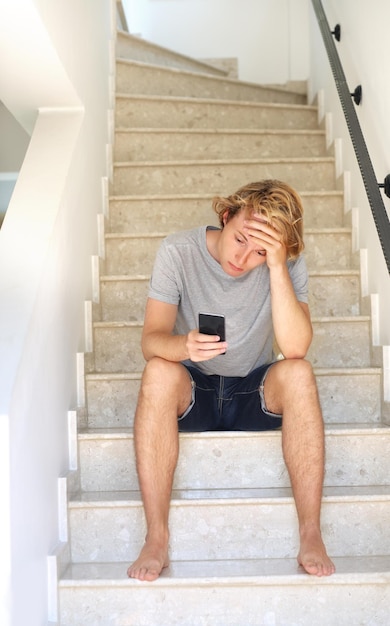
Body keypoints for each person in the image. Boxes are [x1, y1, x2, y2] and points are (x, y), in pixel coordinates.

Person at [127, 179, 336, 582]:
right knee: (157, 371)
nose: (244, 257)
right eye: (241, 238)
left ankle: (311, 533)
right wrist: (183, 347)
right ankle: (156, 537)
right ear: (226, 216)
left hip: (252, 389)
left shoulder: (285, 262)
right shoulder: (178, 251)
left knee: (300, 374)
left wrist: (277, 265)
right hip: (196, 387)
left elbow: (295, 348)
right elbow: (151, 341)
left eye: (259, 251)